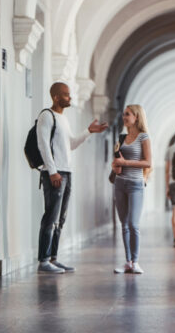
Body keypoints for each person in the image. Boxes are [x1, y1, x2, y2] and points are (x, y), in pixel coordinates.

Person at [36, 82, 108, 274]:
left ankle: (53, 258)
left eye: (69, 94)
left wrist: (88, 131)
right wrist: (52, 171)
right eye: (66, 95)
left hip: (66, 172)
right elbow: (43, 145)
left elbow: (71, 144)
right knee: (50, 217)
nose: (70, 98)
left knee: (61, 218)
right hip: (54, 172)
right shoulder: (46, 116)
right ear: (55, 97)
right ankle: (43, 261)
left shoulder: (63, 119)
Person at [112, 105, 152, 274]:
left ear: (136, 117)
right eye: (123, 114)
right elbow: (116, 160)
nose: (124, 117)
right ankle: (127, 261)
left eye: (127, 114)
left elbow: (148, 162)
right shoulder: (121, 137)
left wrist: (126, 163)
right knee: (124, 225)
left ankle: (135, 261)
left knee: (133, 224)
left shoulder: (144, 137)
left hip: (136, 184)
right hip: (120, 183)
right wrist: (116, 166)